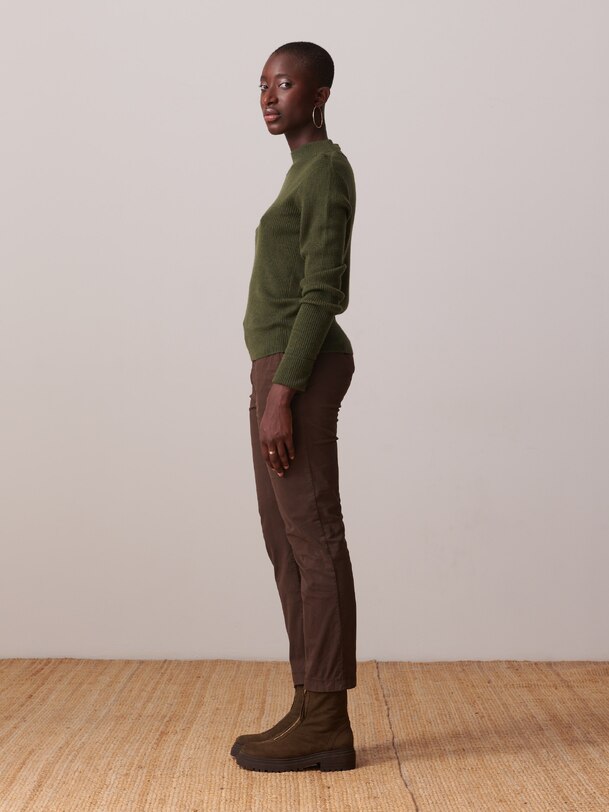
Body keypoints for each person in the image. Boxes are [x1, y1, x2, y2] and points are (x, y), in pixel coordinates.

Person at [233, 41, 358, 773]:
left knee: (314, 540)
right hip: (278, 370)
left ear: (318, 95)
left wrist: (282, 392)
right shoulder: (300, 172)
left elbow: (324, 290)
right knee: (286, 543)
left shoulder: (326, 169)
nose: (268, 97)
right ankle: (308, 699)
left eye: (284, 84)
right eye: (262, 85)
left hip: (298, 371)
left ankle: (328, 721)